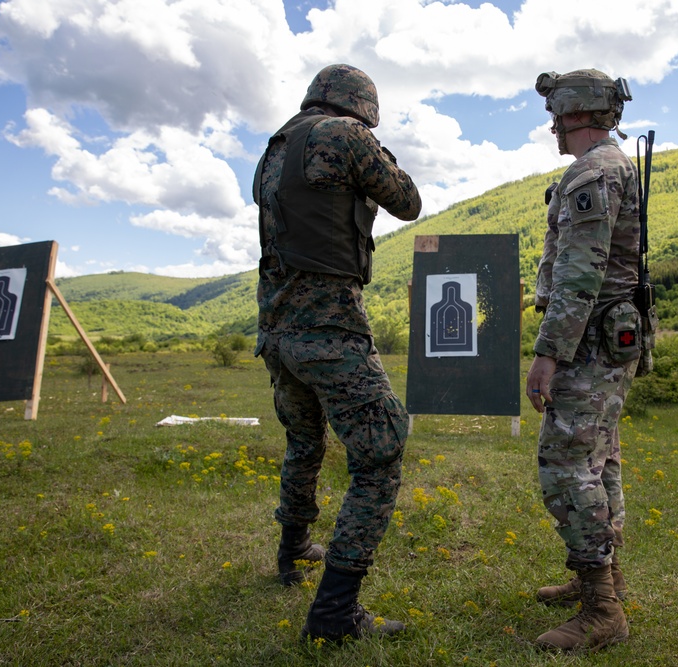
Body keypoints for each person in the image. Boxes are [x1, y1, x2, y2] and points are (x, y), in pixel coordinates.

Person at [252, 63, 422, 643]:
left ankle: (293, 551)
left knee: (304, 443)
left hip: (277, 328)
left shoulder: (275, 146)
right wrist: (378, 150)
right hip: (330, 328)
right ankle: (333, 614)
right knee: (380, 454)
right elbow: (408, 202)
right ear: (363, 106)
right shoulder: (348, 137)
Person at [526, 68, 640, 652]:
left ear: (570, 112)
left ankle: (602, 607)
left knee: (567, 462)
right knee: (601, 459)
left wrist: (549, 352)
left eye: (556, 110)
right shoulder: (614, 166)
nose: (552, 122)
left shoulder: (593, 171)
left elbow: (579, 274)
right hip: (605, 337)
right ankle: (604, 579)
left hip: (587, 340)